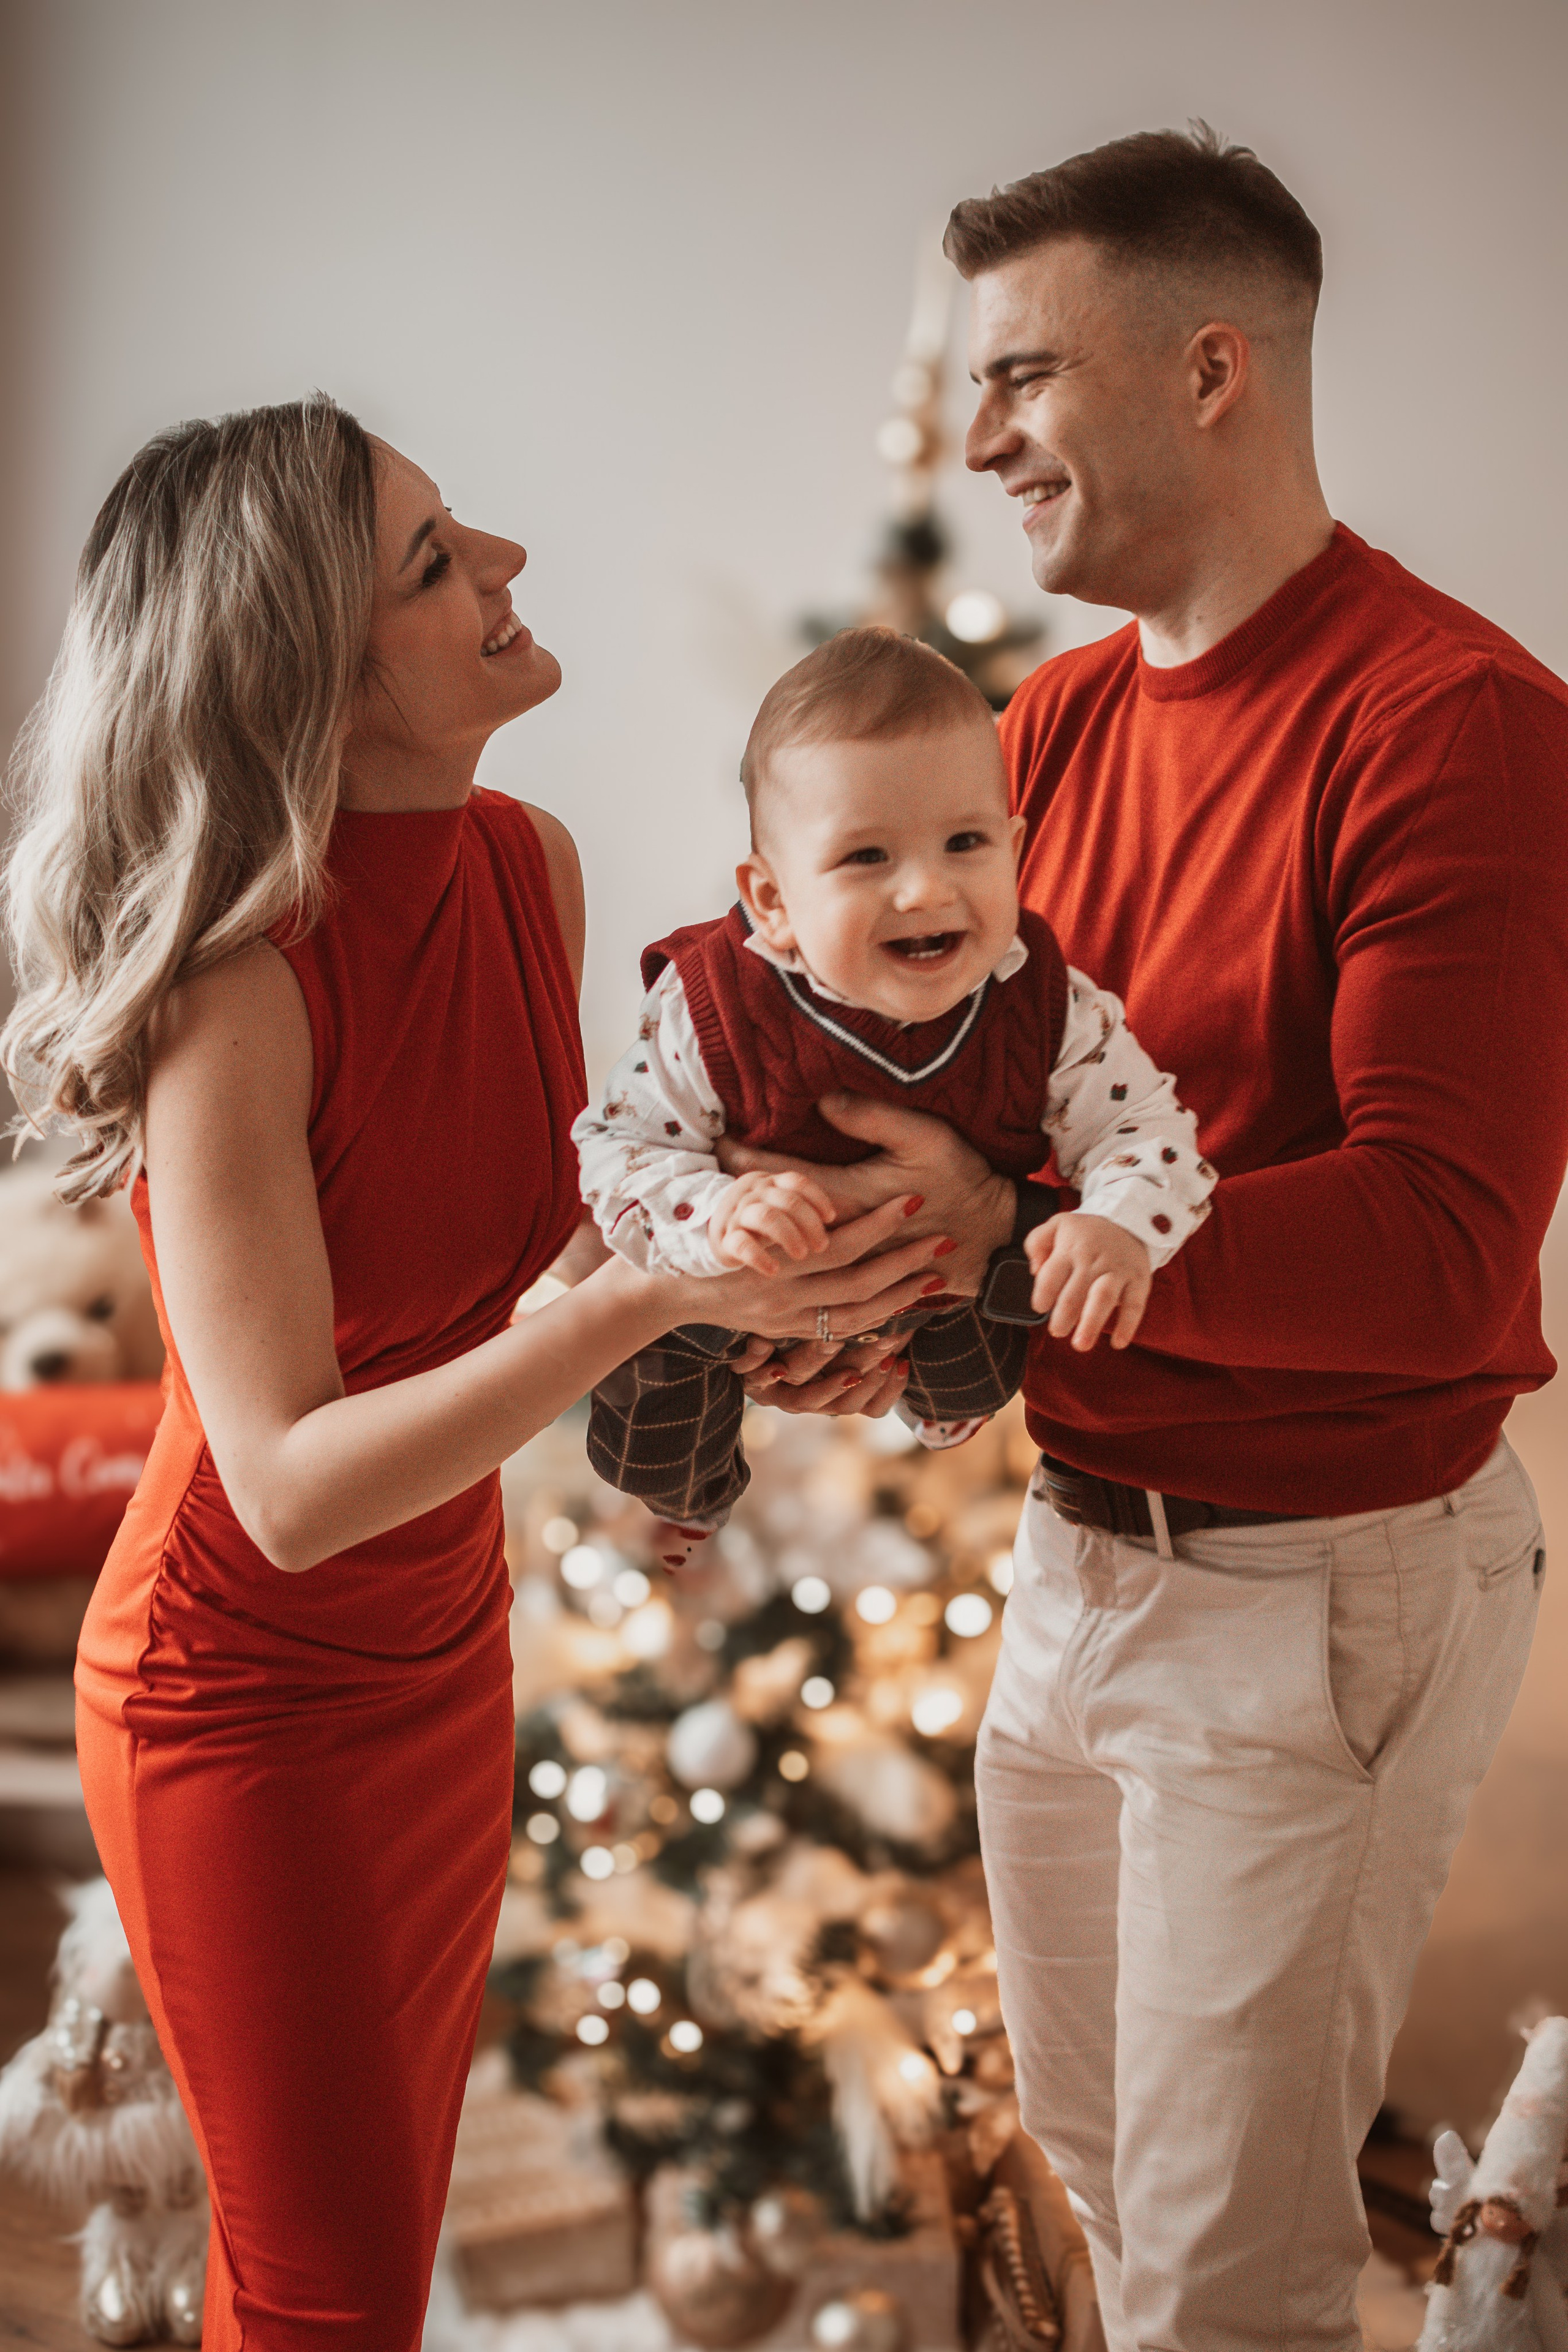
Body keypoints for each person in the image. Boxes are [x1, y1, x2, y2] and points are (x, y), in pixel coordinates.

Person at [727, 127, 1568, 2350]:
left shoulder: (1458, 728)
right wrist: (868, 1294)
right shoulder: (1057, 731)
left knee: (1228, 2277)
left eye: (1023, 374)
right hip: (1081, 1551)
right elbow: (997, 1139)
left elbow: (1437, 1246)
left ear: (1212, 370)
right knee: (1115, 2200)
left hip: (1318, 1584)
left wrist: (998, 1238)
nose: (979, 435)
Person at [0, 398, 949, 2352]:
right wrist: (634, 1310)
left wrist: (753, 1261)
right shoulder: (238, 991)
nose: (505, 561)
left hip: (444, 1665)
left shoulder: (533, 868)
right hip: (236, 1709)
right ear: (315, 683)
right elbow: (289, 1480)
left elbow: (539, 1268)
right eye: (434, 562)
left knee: (366, 2263)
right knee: (320, 2296)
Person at [573, 626, 1213, 1567]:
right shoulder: (712, 1003)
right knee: (653, 1389)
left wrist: (1118, 1222)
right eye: (867, 857)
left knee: (994, 1342)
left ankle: (944, 1409)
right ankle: (685, 1508)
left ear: (1015, 847)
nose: (926, 889)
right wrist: (719, 1211)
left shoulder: (1043, 1000)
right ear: (774, 901)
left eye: (965, 843)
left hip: (942, 1284)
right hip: (726, 1282)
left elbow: (1144, 1128)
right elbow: (615, 1145)